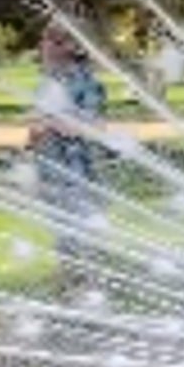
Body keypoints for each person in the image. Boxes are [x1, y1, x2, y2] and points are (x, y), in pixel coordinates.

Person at [28, 20, 107, 287]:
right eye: (45, 42)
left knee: (80, 220)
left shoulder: (85, 82)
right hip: (49, 162)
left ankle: (90, 277)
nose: (44, 48)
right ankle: (69, 274)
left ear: (67, 48)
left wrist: (50, 123)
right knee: (59, 222)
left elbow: (91, 124)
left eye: (50, 42)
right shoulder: (47, 82)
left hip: (76, 166)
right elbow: (35, 126)